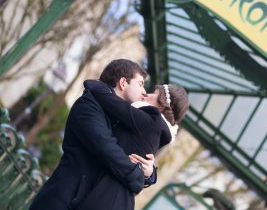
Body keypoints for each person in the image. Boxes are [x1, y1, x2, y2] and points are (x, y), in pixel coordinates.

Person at [29, 59, 157, 210]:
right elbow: (105, 146)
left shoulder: (117, 118)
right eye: (140, 84)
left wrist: (149, 173)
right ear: (123, 83)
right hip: (62, 200)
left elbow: (131, 149)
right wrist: (136, 177)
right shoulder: (88, 105)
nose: (144, 92)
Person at [77, 79, 189, 210]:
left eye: (154, 94)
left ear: (161, 106)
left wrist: (95, 83)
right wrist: (151, 175)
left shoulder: (152, 119)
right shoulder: (158, 130)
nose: (147, 94)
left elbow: (110, 101)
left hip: (106, 195)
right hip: (118, 198)